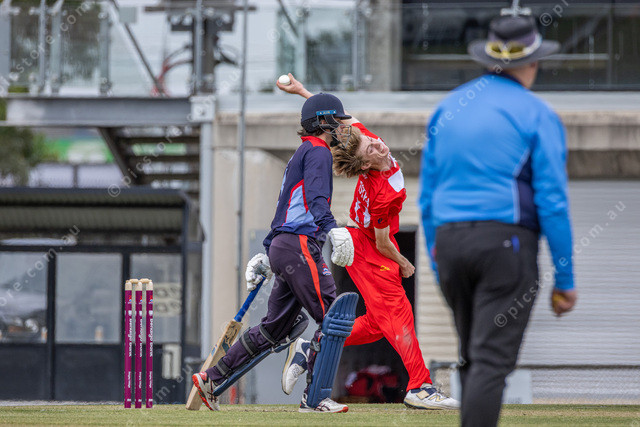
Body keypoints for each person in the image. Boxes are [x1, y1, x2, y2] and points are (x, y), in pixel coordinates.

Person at [418, 14, 578, 427]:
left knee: (473, 357)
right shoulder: (537, 113)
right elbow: (553, 202)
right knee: (490, 361)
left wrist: (436, 259)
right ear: (534, 62)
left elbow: (427, 199)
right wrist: (564, 280)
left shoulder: (447, 108)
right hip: (505, 244)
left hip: (450, 245)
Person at [278, 75, 459, 410]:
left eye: (373, 141)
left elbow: (337, 118)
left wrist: (302, 91)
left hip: (367, 244)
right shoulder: (383, 193)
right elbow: (382, 241)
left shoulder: (366, 141)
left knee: (377, 324)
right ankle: (420, 387)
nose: (378, 145)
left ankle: (313, 345)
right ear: (364, 165)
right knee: (398, 314)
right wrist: (404, 263)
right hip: (368, 247)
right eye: (371, 149)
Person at [192, 86, 357, 413]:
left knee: (273, 329)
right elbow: (315, 199)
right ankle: (314, 396)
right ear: (322, 122)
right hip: (299, 244)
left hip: (285, 245)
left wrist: (270, 252)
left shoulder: (300, 153)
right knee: (332, 316)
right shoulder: (318, 151)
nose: (342, 127)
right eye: (337, 121)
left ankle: (211, 378)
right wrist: (332, 228)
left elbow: (284, 207)